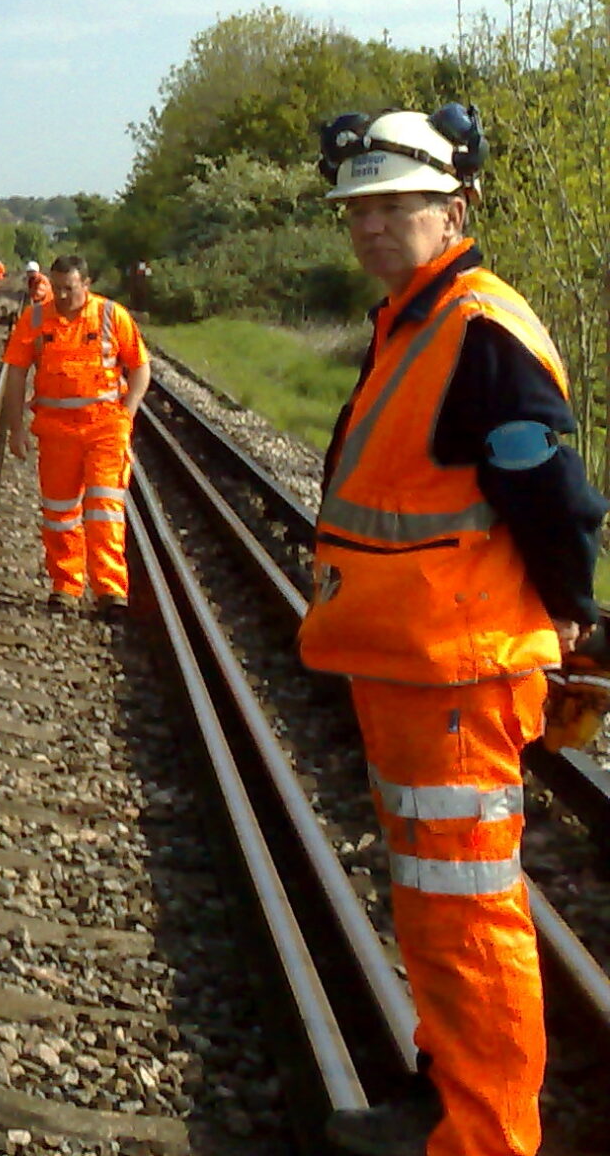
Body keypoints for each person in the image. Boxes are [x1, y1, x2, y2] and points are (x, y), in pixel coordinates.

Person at [305, 107, 607, 1156]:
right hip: (415, 664)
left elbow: (550, 491)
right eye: (359, 209)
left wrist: (574, 612)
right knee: (436, 901)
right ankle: (451, 1097)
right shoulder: (415, 318)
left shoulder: (478, 329)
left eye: (395, 206)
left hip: (459, 673)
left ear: (453, 208)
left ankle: (483, 1138)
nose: (373, 226)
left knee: (467, 907)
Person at [0, 255, 149, 612]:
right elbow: (16, 374)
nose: (62, 296)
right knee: (60, 511)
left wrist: (126, 416)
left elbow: (141, 368)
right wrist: (16, 428)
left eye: (70, 287)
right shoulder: (35, 319)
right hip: (56, 431)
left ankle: (111, 590)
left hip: (104, 427)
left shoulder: (112, 316)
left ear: (87, 283)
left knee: (104, 508)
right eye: (58, 287)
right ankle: (66, 586)